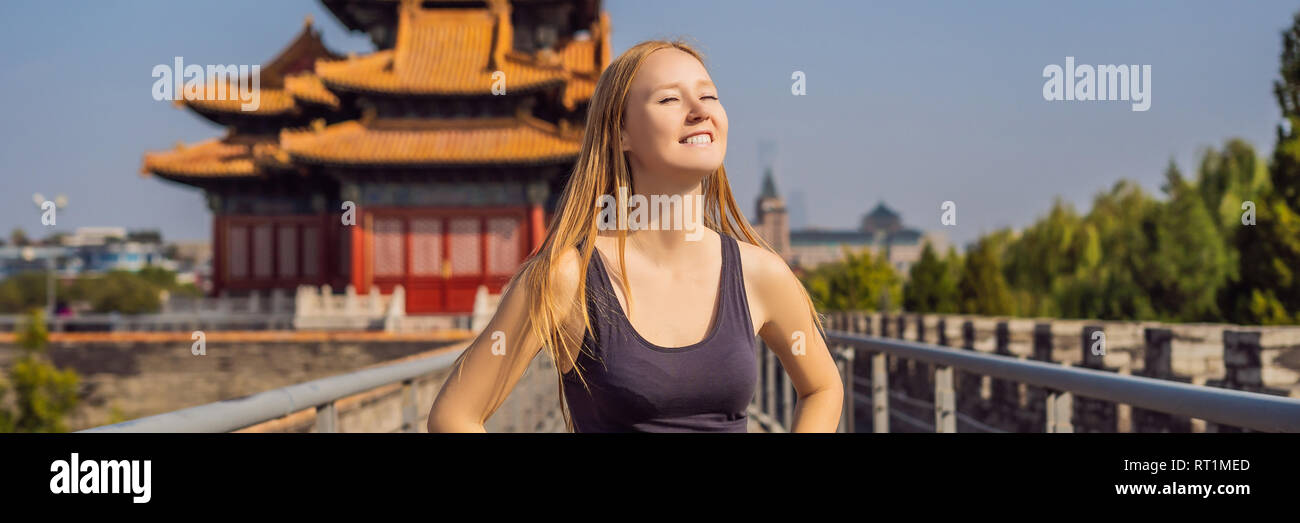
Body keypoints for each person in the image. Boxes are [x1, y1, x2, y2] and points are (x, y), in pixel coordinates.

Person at [427, 39, 843, 433]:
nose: (700, 111)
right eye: (669, 99)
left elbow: (822, 388)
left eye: (710, 95)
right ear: (621, 133)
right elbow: (454, 415)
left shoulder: (760, 274)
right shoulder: (566, 279)